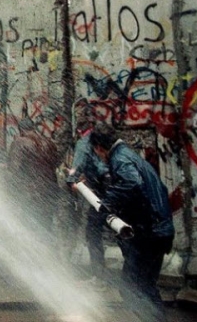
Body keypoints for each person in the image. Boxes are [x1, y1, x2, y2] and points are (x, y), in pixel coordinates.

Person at [90, 122, 174, 322]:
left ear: (99, 148)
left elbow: (131, 183)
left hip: (150, 233)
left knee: (131, 287)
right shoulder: (128, 155)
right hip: (160, 230)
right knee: (145, 286)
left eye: (96, 152)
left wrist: (106, 203)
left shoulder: (120, 159)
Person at [66, 112, 110, 280]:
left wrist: (72, 182)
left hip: (99, 191)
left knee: (92, 232)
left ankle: (98, 276)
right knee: (119, 230)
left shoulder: (83, 143)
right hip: (116, 188)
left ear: (79, 130)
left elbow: (75, 170)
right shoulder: (103, 139)